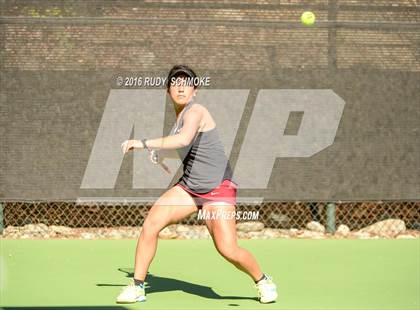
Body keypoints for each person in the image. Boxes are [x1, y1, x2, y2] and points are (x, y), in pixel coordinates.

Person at [118, 65, 277, 304]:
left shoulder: (196, 111)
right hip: (190, 188)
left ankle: (263, 280)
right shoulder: (179, 118)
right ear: (168, 90)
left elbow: (184, 139)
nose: (181, 87)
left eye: (186, 83)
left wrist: (143, 143)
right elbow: (186, 146)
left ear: (195, 90)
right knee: (151, 223)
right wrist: (163, 155)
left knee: (228, 249)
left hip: (217, 190)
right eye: (176, 83)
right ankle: (138, 286)